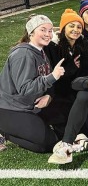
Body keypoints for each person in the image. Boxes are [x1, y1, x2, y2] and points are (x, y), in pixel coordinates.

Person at [0, 15, 66, 153]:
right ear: (31, 33)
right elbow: (25, 89)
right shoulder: (23, 54)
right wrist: (52, 77)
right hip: (10, 108)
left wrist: (48, 95)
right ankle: (4, 131)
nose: (48, 34)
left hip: (29, 106)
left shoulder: (40, 51)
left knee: (58, 132)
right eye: (43, 30)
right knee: (47, 144)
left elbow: (43, 82)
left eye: (50, 31)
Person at [43, 9, 88, 136]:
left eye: (79, 27)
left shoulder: (83, 44)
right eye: (71, 26)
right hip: (57, 91)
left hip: (75, 87)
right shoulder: (52, 47)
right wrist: (71, 67)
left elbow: (85, 69)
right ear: (64, 28)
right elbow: (53, 75)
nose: (76, 29)